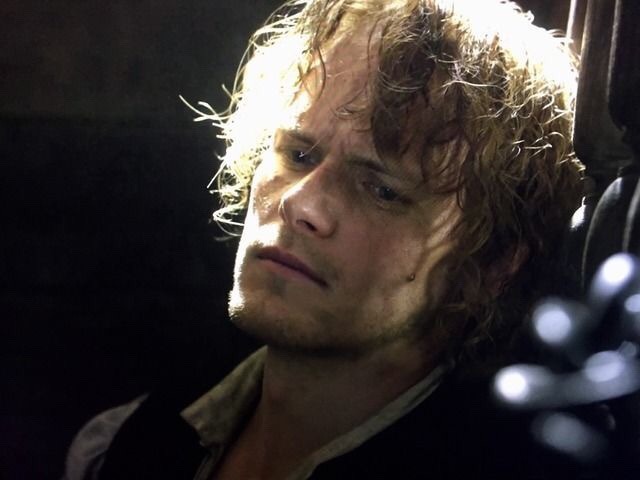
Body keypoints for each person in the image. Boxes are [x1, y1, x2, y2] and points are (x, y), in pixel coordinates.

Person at [63, 0, 584, 478]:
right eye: (298, 155)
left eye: (383, 190)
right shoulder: (128, 440)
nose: (301, 204)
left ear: (494, 263)